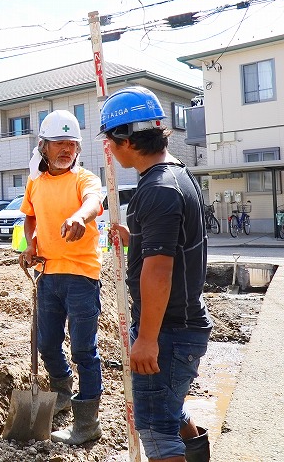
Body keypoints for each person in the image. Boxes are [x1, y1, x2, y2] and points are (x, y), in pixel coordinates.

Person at [101, 86, 212, 462]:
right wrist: (136, 238)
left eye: (110, 140)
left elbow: (160, 270)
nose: (110, 149)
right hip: (182, 324)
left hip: (168, 331)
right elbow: (173, 247)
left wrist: (147, 339)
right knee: (172, 412)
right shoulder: (176, 175)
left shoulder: (158, 189)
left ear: (125, 139)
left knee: (155, 429)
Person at [18, 109, 105, 445]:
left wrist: (80, 217)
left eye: (72, 143)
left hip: (82, 275)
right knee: (47, 344)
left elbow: (93, 201)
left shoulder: (84, 179)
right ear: (44, 146)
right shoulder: (36, 182)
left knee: (84, 350)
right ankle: (63, 392)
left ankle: (87, 422)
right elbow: (30, 217)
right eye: (59, 143)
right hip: (47, 274)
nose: (67, 149)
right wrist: (31, 243)